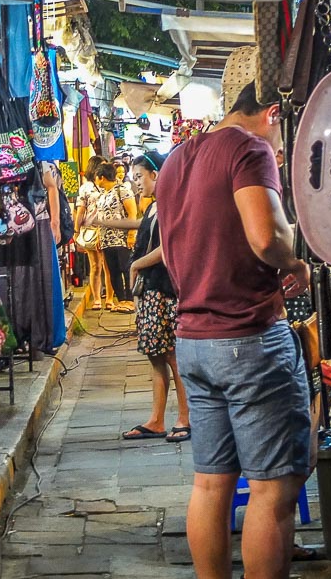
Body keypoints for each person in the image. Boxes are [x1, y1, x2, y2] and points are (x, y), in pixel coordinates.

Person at [156, 82, 311, 579]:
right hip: (248, 338)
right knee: (273, 489)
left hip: (194, 342)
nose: (285, 146)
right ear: (270, 112)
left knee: (210, 484)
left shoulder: (177, 158)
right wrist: (296, 263)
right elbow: (266, 236)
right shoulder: (250, 148)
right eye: (287, 127)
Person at [98, 151, 191, 442]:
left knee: (173, 357)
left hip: (165, 291)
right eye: (133, 177)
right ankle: (157, 419)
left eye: (139, 176)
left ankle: (185, 418)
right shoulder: (153, 207)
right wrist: (104, 223)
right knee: (155, 357)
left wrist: (136, 264)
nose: (135, 182)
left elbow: (167, 247)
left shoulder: (171, 205)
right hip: (150, 292)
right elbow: (140, 226)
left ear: (156, 174)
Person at [94, 162, 137, 313]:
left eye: (97, 177)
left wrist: (131, 234)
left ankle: (130, 300)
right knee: (113, 271)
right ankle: (121, 300)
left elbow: (132, 213)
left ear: (102, 177)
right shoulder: (103, 194)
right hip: (107, 240)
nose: (96, 180)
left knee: (126, 268)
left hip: (122, 238)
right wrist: (100, 237)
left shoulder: (123, 190)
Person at [74, 155, 114, 310]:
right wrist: (76, 230)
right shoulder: (86, 188)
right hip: (91, 230)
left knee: (108, 266)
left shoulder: (110, 184)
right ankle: (97, 299)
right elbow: (80, 211)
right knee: (95, 266)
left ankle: (110, 298)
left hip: (107, 229)